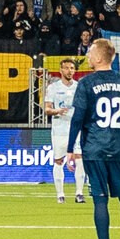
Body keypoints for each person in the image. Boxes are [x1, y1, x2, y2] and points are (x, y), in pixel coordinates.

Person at [70, 38, 120, 239]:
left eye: (91, 52)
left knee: (100, 200)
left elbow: (77, 119)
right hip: (118, 150)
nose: (88, 56)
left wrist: (71, 148)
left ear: (100, 57)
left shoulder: (86, 83)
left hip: (94, 150)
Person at [44, 55, 86, 205]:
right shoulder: (53, 88)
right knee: (59, 160)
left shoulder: (79, 87)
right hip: (59, 130)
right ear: (61, 70)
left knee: (80, 159)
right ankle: (60, 194)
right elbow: (47, 109)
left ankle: (79, 193)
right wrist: (57, 111)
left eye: (72, 68)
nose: (70, 71)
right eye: (67, 68)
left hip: (77, 130)